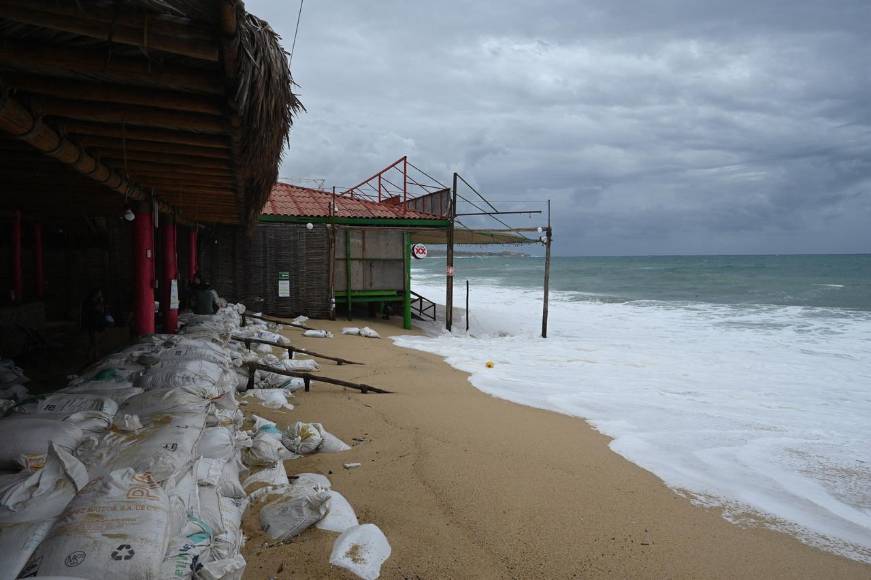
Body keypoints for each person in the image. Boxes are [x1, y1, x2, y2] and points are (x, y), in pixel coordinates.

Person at [81, 288, 111, 361]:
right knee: (94, 342)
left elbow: (102, 311)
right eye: (99, 293)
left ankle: (94, 356)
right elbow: (97, 310)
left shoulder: (97, 302)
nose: (100, 295)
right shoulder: (90, 302)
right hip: (93, 323)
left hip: (98, 323)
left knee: (96, 342)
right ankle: (93, 357)